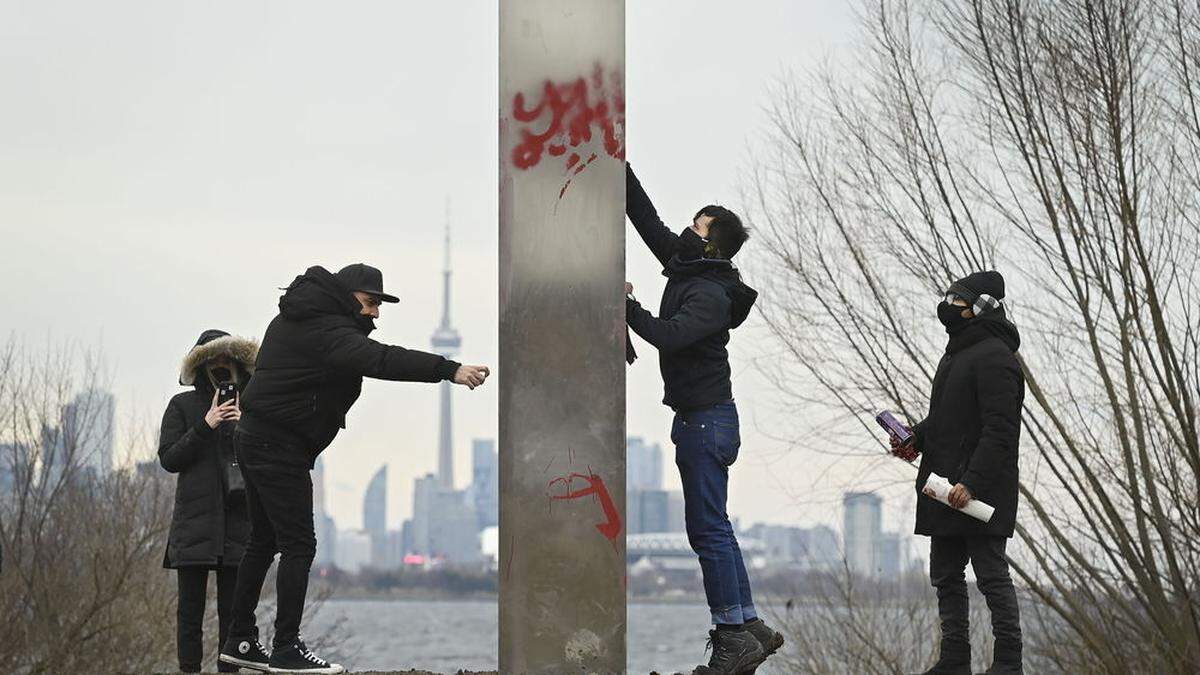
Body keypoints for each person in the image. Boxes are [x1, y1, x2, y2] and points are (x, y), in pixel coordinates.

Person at [218, 263, 490, 675]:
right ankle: (286, 648)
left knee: (263, 541)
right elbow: (382, 360)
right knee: (298, 545)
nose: (376, 314)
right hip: (277, 446)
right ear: (347, 298)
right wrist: (449, 369)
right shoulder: (326, 331)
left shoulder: (297, 318)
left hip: (257, 438)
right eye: (370, 303)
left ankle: (239, 639)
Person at [623, 164, 784, 675]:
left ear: (711, 244)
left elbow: (669, 335)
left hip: (706, 421)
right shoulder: (691, 268)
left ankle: (733, 635)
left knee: (707, 531)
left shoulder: (711, 294)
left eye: (696, 226)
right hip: (702, 418)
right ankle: (748, 624)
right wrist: (616, 163)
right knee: (716, 527)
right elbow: (644, 218)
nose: (685, 230)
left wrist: (626, 306)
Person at [890, 271, 1025, 675]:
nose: (947, 305)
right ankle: (954, 660)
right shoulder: (957, 354)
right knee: (946, 575)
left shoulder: (997, 358)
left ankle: (1008, 663)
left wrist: (972, 482)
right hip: (943, 486)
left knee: (991, 576)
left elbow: (1001, 431)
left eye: (956, 299)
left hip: (977, 491)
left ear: (981, 306)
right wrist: (914, 437)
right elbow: (947, 419)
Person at [159, 329, 258, 673]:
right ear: (199, 363)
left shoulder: (252, 403)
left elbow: (269, 456)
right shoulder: (182, 405)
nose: (221, 365)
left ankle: (229, 671)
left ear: (237, 362)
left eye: (227, 358)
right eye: (213, 359)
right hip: (194, 523)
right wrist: (207, 424)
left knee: (235, 613)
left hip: (239, 523)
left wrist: (245, 425)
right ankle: (189, 670)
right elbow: (169, 459)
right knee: (189, 611)